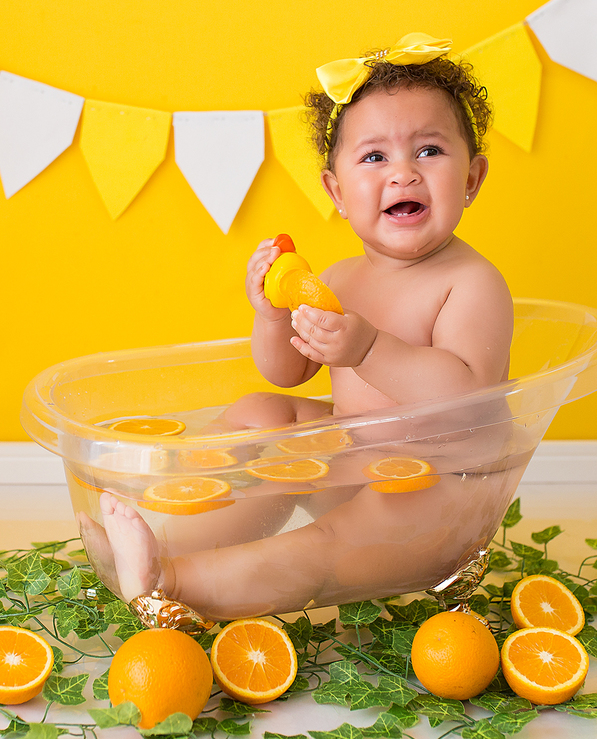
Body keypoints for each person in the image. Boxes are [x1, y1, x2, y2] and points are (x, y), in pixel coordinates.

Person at [91, 34, 516, 618]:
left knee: (328, 549)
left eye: (429, 151)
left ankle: (174, 584)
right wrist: (271, 316)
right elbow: (288, 371)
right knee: (263, 409)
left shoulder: (471, 283)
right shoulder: (340, 279)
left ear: (473, 177)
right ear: (336, 191)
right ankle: (172, 537)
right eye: (374, 157)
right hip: (353, 458)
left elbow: (470, 401)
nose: (403, 175)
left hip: (436, 489)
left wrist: (368, 348)